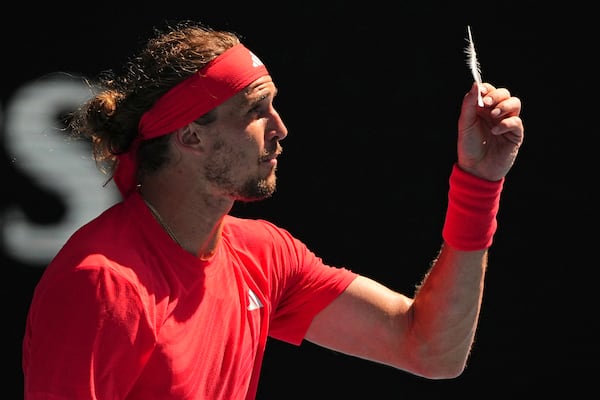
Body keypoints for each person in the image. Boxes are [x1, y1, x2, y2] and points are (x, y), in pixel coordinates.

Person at [22, 20, 524, 400]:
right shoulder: (103, 285)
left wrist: (479, 185)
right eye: (256, 111)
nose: (280, 129)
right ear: (192, 135)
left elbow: (430, 350)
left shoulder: (264, 257)